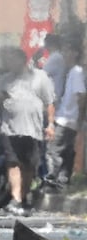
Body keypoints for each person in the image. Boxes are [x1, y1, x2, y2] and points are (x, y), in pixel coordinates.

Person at [0, 47, 55, 216]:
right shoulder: (5, 79)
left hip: (32, 129)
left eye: (11, 59)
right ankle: (16, 199)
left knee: (29, 165)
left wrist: (50, 124)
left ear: (22, 60)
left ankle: (23, 196)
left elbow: (49, 102)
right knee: (12, 162)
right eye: (7, 60)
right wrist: (0, 99)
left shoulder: (40, 77)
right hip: (9, 128)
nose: (8, 63)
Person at [45, 42, 86, 187]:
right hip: (68, 118)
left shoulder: (76, 72)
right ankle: (62, 181)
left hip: (67, 119)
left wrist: (79, 119)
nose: (64, 54)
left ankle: (52, 180)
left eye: (67, 50)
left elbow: (81, 96)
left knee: (53, 150)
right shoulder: (72, 72)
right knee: (67, 151)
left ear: (75, 53)